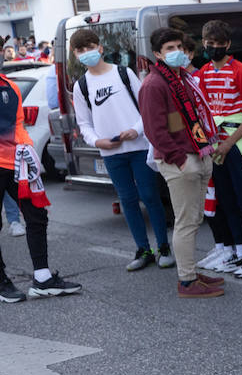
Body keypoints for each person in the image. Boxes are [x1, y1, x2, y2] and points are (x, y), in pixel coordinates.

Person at [69, 28, 172, 272]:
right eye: (81, 50)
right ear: (75, 54)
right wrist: (97, 142)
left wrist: (136, 130)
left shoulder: (124, 73)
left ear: (100, 48)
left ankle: (164, 247)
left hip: (139, 146)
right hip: (111, 152)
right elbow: (84, 124)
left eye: (90, 47)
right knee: (127, 200)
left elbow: (147, 108)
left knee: (149, 195)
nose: (86, 53)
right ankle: (143, 249)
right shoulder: (81, 85)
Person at [139, 27, 225, 299]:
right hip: (180, 160)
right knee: (186, 222)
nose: (176, 53)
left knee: (194, 219)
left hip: (197, 153)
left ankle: (190, 271)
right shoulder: (154, 84)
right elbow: (155, 131)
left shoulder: (182, 79)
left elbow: (190, 118)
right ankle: (187, 281)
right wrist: (179, 160)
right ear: (157, 55)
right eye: (169, 49)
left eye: (179, 46)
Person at [194, 20, 242, 278]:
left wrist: (227, 143)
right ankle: (241, 252)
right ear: (203, 44)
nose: (214, 48)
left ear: (228, 44)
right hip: (214, 142)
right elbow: (203, 111)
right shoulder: (203, 72)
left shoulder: (240, 70)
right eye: (209, 44)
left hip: (234, 141)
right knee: (226, 200)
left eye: (219, 44)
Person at [0, 71, 82, 302]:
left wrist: (27, 149)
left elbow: (17, 125)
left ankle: (43, 278)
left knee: (36, 215)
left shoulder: (10, 87)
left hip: (15, 163)